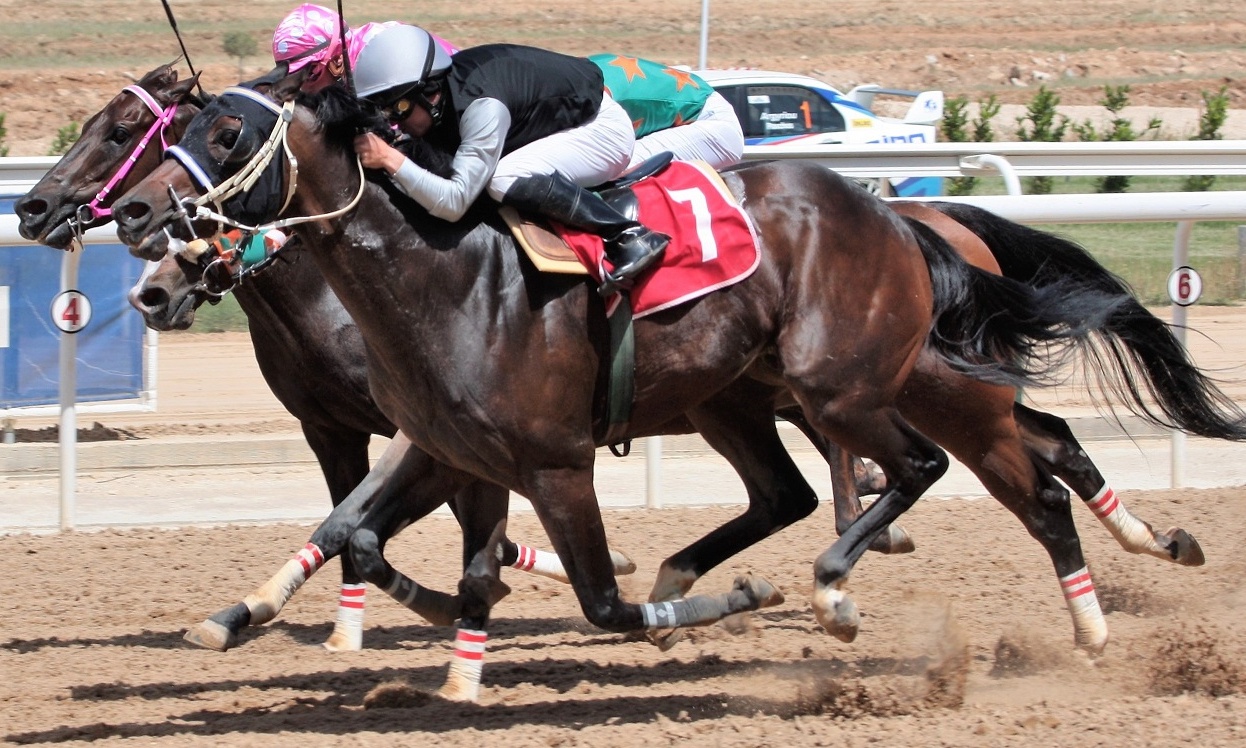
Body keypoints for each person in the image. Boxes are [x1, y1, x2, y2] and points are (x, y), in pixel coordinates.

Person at [350, 23, 669, 295]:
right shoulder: (447, 93)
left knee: (502, 178)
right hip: (552, 123)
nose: (394, 120)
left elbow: (454, 202)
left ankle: (627, 234)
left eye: (400, 108)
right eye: (387, 111)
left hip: (601, 132)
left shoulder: (481, 108)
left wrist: (390, 159)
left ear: (430, 93)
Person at [589, 54, 744, 171]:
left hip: (709, 122)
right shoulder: (582, 72)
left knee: (610, 166)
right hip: (697, 111)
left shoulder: (594, 93)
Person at [272, 4, 459, 94]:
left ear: (337, 60)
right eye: (291, 78)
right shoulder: (347, 66)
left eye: (311, 74)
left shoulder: (380, 56)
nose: (301, 88)